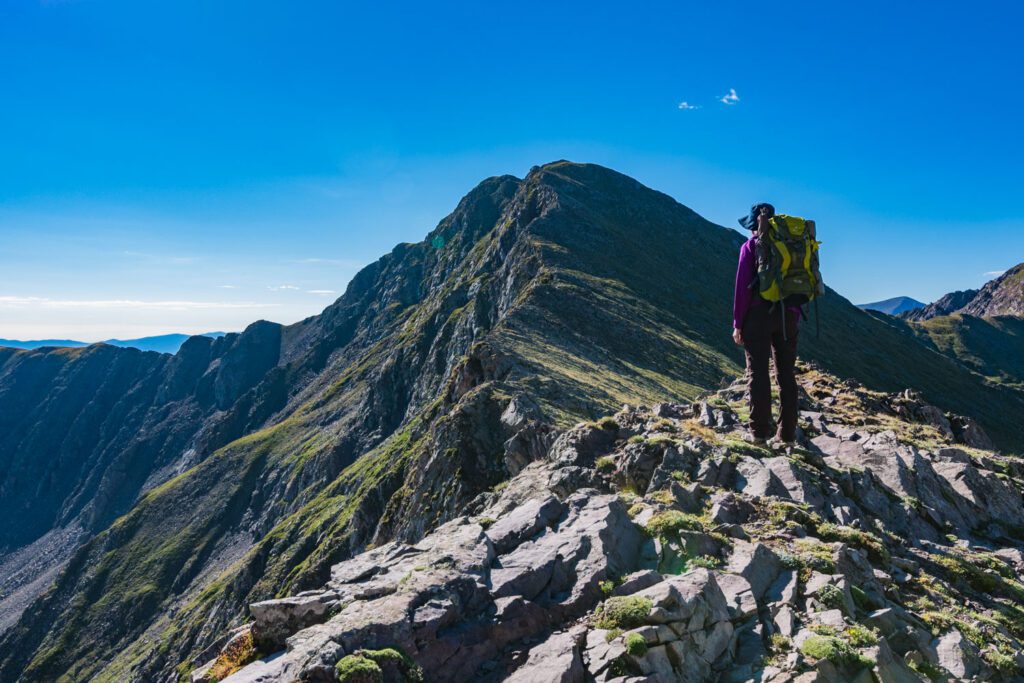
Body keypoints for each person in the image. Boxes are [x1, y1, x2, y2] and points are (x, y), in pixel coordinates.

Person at [732, 203, 802, 446]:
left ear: (754, 226)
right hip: (789, 317)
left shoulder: (750, 247)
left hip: (758, 317)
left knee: (758, 373)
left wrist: (738, 323)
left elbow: (742, 289)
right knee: (786, 376)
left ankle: (759, 433)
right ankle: (787, 436)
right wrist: (794, 316)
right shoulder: (790, 247)